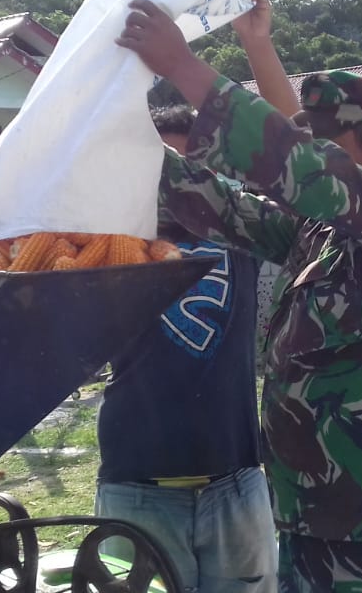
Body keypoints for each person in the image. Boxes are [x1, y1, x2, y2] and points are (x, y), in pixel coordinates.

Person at [117, 0, 362, 593]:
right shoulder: (320, 229)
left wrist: (182, 66)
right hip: (307, 512)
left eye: (329, 144)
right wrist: (123, 144)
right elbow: (227, 208)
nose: (312, 153)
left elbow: (297, 163)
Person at [93, 104, 276, 592]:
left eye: (192, 169)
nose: (176, 185)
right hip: (136, 487)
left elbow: (295, 156)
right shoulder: (109, 244)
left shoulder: (242, 235)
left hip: (235, 482)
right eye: (162, 168)